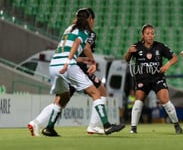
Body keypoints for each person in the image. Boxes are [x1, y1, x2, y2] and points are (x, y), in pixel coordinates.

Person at [27, 8, 125, 137]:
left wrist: (73, 58)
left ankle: (43, 125)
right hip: (74, 67)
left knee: (62, 98)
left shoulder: (68, 29)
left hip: (55, 64)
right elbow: (85, 46)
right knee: (98, 92)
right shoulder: (87, 32)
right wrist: (91, 61)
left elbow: (66, 48)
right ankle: (102, 125)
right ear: (90, 19)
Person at [125, 24, 183, 134]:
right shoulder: (136, 47)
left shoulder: (160, 46)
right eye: (147, 33)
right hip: (142, 78)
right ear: (143, 35)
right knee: (138, 101)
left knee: (165, 100)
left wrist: (167, 65)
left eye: (152, 33)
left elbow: (175, 58)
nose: (150, 36)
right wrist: (128, 52)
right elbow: (127, 59)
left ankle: (177, 125)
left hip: (157, 78)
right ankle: (133, 128)